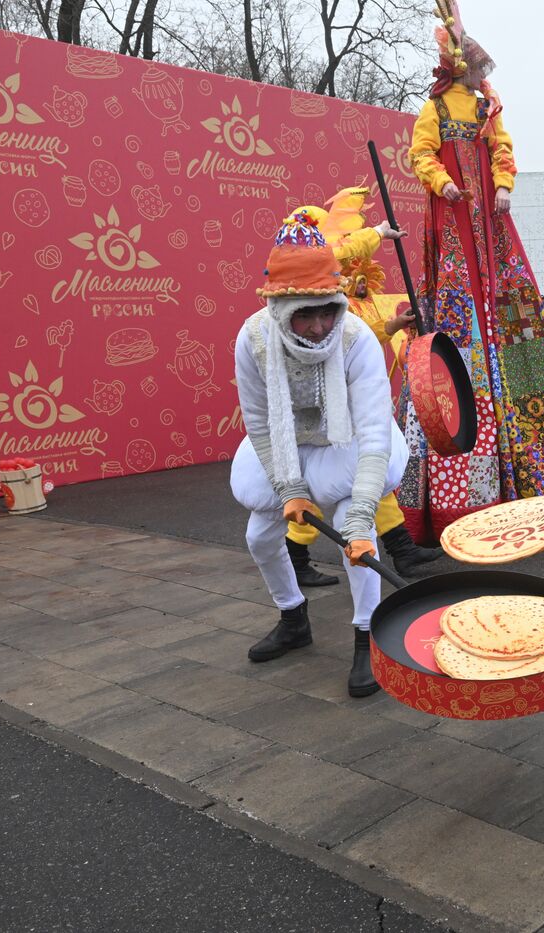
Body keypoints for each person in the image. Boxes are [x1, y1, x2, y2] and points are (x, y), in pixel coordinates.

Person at [403, 0, 544, 540]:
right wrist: (444, 183)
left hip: (490, 225)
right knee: (459, 310)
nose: (483, 75)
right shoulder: (435, 108)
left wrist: (504, 184)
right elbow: (421, 155)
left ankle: (535, 474)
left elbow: (503, 149)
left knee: (510, 310)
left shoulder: (488, 106)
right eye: (478, 67)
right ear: (460, 66)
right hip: (456, 222)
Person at [230, 210, 409, 699]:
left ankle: (368, 634)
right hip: (285, 442)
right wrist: (288, 487)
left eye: (326, 311)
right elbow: (259, 422)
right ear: (279, 309)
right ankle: (293, 617)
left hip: (349, 439)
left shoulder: (355, 339)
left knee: (354, 526)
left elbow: (374, 430)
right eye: (303, 315)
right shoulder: (253, 339)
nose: (316, 327)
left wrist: (363, 518)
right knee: (258, 536)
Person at [283, 195, 441, 586]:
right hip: (318, 410)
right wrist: (379, 233)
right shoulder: (313, 288)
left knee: (372, 473)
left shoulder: (339, 292)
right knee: (319, 488)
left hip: (346, 405)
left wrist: (393, 326)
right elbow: (346, 338)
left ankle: (402, 550)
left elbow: (358, 340)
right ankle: (294, 561)